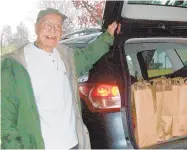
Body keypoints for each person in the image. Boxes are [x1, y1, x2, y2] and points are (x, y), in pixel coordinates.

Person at [1, 8, 120, 149]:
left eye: (58, 26)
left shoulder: (66, 56)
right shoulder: (15, 65)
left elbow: (88, 55)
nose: (53, 30)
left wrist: (108, 36)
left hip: (73, 144)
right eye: (47, 25)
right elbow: (6, 116)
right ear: (36, 27)